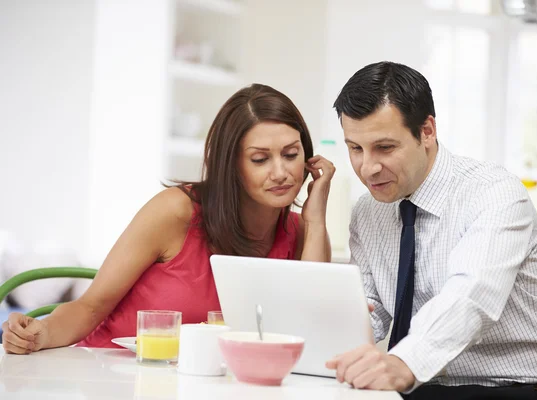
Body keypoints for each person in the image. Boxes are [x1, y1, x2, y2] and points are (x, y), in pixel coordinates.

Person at [2, 83, 335, 354]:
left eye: (291, 155)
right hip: (115, 378)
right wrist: (42, 333)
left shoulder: (302, 231)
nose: (281, 172)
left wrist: (317, 219)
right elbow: (91, 307)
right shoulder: (177, 212)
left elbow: (308, 334)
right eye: (260, 159)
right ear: (230, 165)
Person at [325, 61, 537, 400]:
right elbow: (372, 310)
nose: (367, 168)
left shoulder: (494, 192)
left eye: (384, 147)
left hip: (514, 385)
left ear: (427, 131)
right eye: (355, 148)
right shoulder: (368, 211)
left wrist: (402, 364)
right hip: (424, 389)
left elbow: (472, 296)